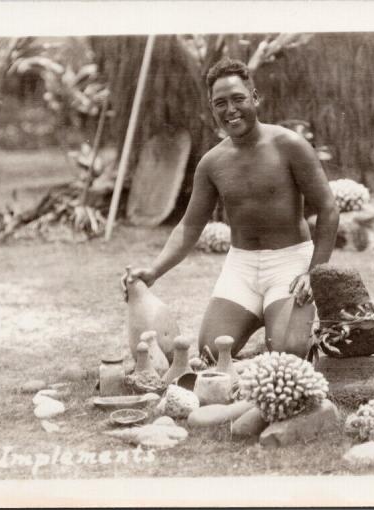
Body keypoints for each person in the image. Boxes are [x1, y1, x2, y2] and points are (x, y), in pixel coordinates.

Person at [121, 58, 339, 359]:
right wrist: (154, 271)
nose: (230, 109)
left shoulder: (289, 145)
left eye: (238, 99)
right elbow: (189, 227)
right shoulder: (212, 163)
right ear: (212, 108)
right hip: (242, 267)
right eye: (220, 103)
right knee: (211, 351)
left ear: (255, 98)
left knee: (289, 352)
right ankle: (267, 314)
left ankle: (283, 318)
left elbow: (328, 208)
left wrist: (314, 273)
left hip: (289, 264)